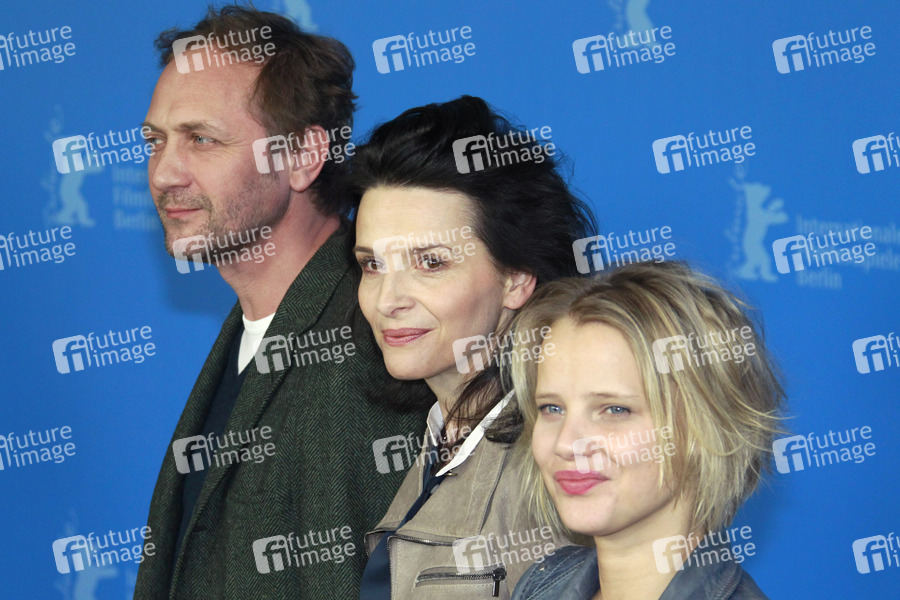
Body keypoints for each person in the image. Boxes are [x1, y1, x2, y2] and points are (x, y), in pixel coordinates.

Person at [135, 6, 428, 599]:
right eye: (156, 141)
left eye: (201, 139)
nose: (164, 173)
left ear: (301, 157)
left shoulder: (377, 341)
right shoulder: (253, 331)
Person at [351, 95, 599, 599]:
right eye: (372, 265)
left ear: (516, 278)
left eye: (431, 263)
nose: (387, 300)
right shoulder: (438, 440)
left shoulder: (565, 466)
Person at [506, 261, 783, 600]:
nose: (566, 443)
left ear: (706, 425)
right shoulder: (541, 585)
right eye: (552, 408)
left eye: (614, 410)